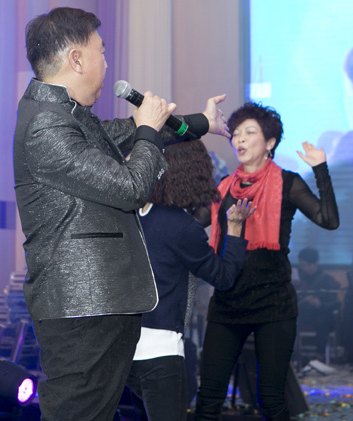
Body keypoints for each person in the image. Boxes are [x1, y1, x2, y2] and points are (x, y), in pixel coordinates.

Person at [13, 6, 231, 421]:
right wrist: (147, 128)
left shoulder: (64, 115)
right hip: (83, 306)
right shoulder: (47, 124)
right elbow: (130, 188)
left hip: (100, 303)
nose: (107, 63)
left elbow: (123, 133)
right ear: (76, 59)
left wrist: (202, 121)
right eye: (101, 52)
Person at [194, 102, 340, 421]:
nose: (240, 139)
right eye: (236, 134)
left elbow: (329, 220)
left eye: (249, 132)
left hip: (274, 305)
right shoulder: (223, 187)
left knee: (272, 400)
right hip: (227, 304)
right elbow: (190, 225)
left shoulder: (288, 183)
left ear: (270, 142)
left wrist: (321, 168)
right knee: (208, 398)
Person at [127, 140, 253, 421]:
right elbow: (223, 277)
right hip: (159, 350)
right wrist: (235, 228)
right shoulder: (179, 226)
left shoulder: (130, 216)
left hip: (121, 348)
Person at [295, 247, 340, 359]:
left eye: (307, 265)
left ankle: (320, 355)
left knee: (322, 321)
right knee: (291, 320)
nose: (305, 268)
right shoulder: (299, 278)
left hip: (321, 313)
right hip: (304, 312)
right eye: (302, 265)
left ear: (316, 263)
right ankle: (294, 355)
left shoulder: (327, 279)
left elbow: (333, 302)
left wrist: (319, 304)